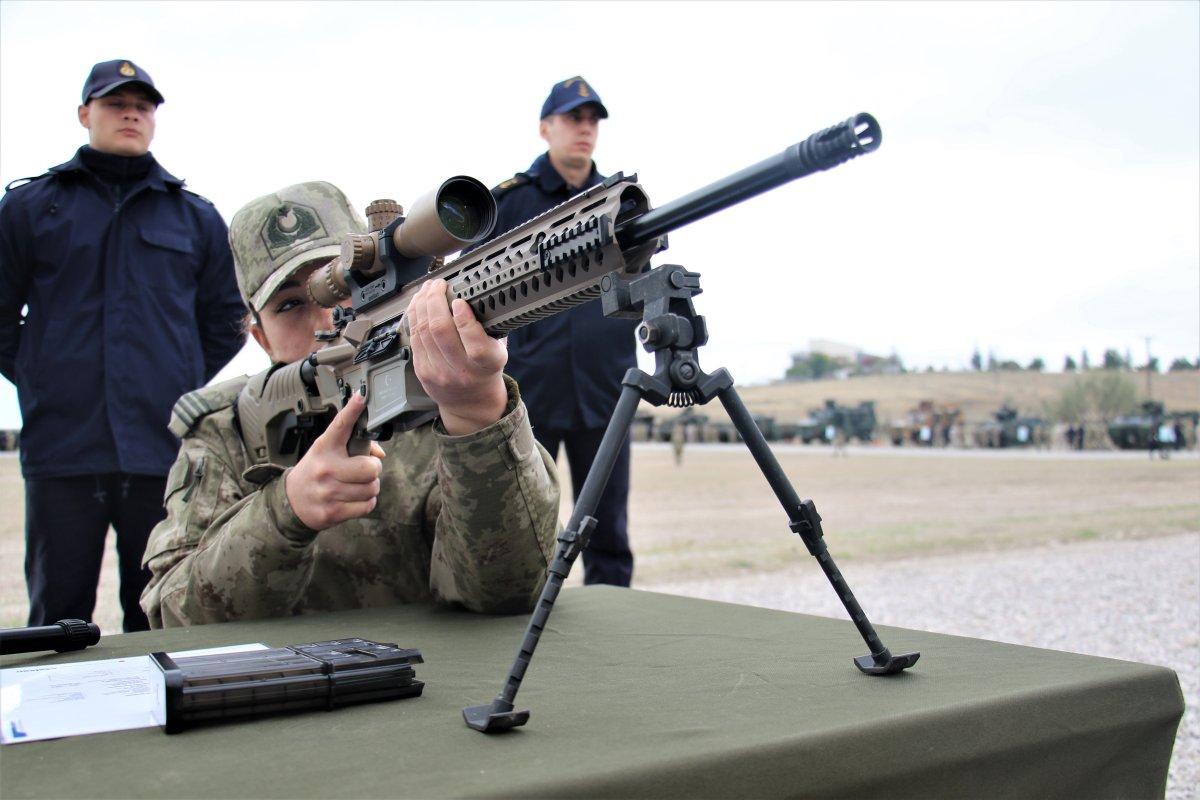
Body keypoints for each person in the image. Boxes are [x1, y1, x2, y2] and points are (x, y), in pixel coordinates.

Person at [140, 182, 560, 628]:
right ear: (259, 337)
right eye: (289, 305)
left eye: (341, 289)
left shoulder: (439, 395)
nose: (325, 318)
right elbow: (171, 614)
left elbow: (507, 592)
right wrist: (285, 513)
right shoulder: (226, 430)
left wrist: (476, 414)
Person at [0, 60, 245, 632]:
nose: (131, 113)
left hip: (161, 451)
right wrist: (41, 374)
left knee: (157, 612)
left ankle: (162, 720)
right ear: (86, 114)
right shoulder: (31, 209)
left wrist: (176, 374)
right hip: (63, 448)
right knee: (55, 619)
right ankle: (56, 724)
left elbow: (226, 316)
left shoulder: (196, 218)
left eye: (144, 104)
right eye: (115, 103)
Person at [478, 76, 636, 587]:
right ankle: (526, 617)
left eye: (592, 121)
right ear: (546, 128)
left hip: (606, 387)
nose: (585, 129)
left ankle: (614, 624)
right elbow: (468, 296)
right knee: (526, 521)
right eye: (574, 119)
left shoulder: (622, 206)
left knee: (606, 527)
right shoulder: (511, 205)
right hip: (530, 393)